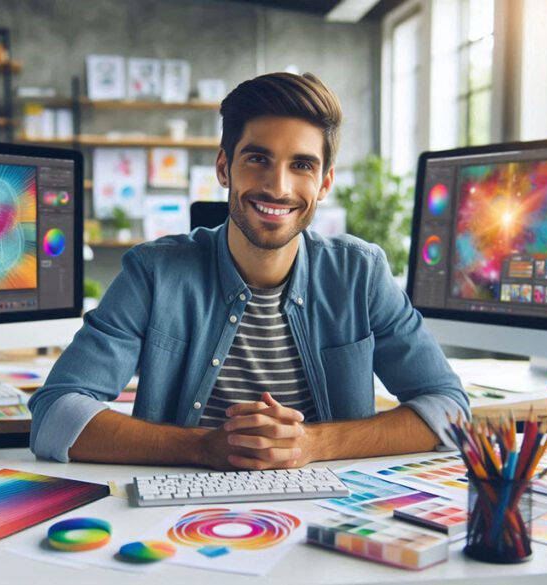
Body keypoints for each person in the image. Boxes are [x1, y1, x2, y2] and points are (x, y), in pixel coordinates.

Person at [29, 72, 468, 470]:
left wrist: (313, 444)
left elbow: (449, 407)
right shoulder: (153, 272)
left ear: (325, 182)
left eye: (302, 165)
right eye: (258, 158)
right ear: (224, 168)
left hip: (329, 509)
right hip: (176, 512)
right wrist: (203, 447)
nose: (278, 186)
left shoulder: (361, 273)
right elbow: (55, 415)